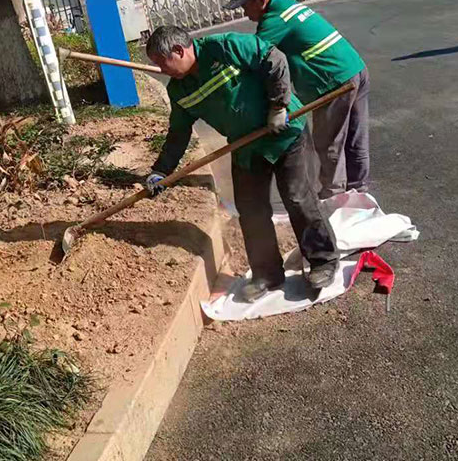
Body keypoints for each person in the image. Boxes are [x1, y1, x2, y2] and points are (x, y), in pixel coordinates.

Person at [145, 25, 339, 302]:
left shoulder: (223, 47)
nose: (161, 70)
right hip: (245, 146)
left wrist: (278, 105)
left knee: (298, 198)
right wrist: (161, 171)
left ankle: (323, 261)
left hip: (285, 134)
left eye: (162, 62)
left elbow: (274, 59)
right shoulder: (179, 90)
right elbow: (178, 133)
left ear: (179, 50)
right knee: (250, 210)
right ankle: (267, 274)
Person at [223, 0, 370, 200]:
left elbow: (254, 58)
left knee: (329, 143)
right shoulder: (289, 6)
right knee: (355, 138)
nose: (244, 12)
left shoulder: (274, 19)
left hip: (333, 80)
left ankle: (334, 197)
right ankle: (359, 192)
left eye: (245, 6)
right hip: (354, 69)